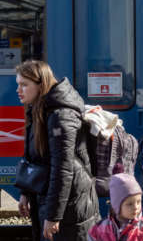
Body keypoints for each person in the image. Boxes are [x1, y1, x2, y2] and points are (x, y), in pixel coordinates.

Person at [15, 60, 99, 241]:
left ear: (41, 84)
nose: (18, 90)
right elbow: (36, 157)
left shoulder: (61, 116)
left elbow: (63, 169)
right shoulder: (40, 109)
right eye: (18, 84)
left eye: (24, 85)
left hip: (71, 208)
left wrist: (54, 216)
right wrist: (26, 191)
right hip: (56, 201)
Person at [88, 172, 143, 241]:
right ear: (116, 206)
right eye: (130, 204)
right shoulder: (100, 229)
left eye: (138, 202)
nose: (136, 207)